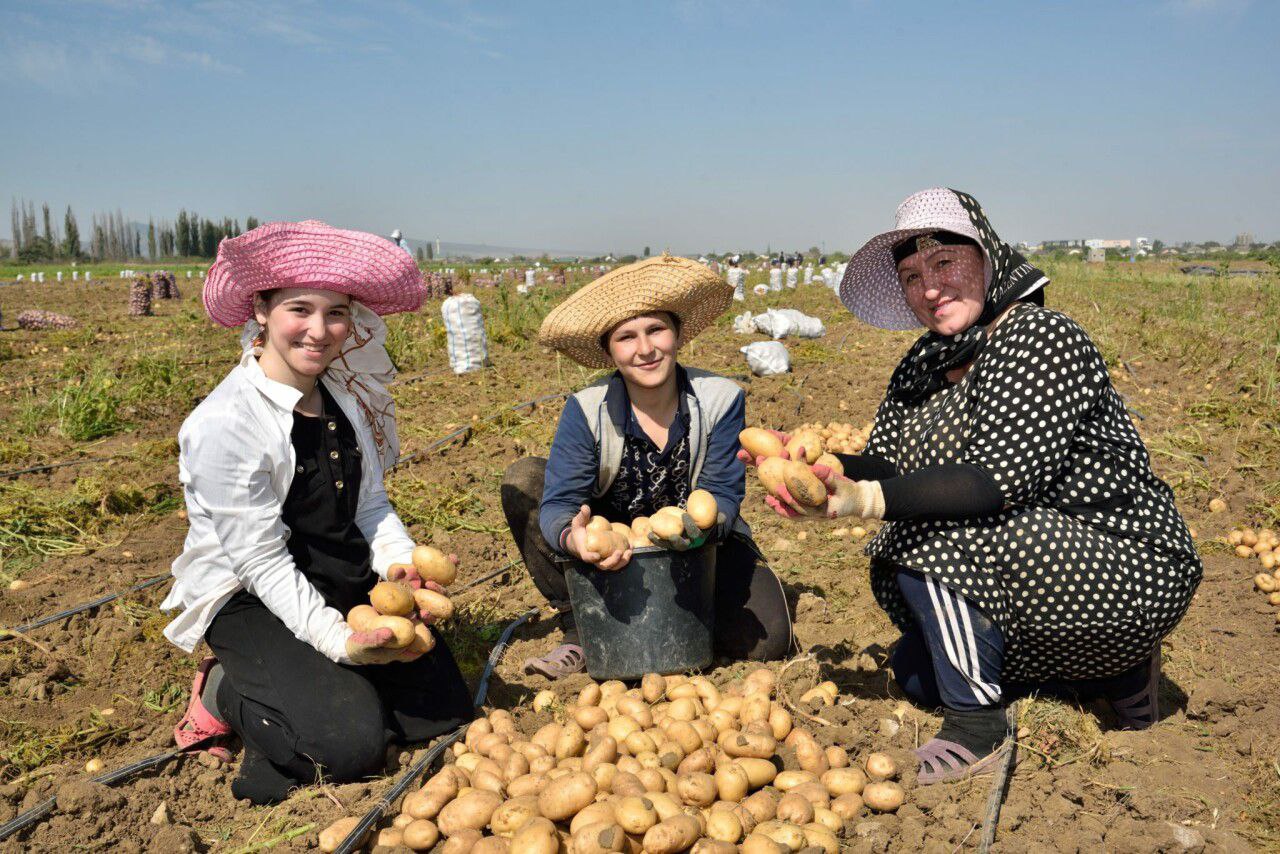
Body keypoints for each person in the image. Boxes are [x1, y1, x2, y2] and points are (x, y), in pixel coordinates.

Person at [746, 188, 1201, 784]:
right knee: (913, 671)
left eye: (944, 264)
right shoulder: (924, 362)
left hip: (1118, 562)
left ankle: (978, 724)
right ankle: (1102, 675)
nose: (928, 289)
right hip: (1027, 568)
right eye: (910, 276)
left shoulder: (1039, 338)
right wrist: (834, 470)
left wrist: (866, 502)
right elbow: (890, 462)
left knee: (924, 528)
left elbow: (992, 482)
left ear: (986, 257)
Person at [164, 220, 473, 804]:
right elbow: (259, 560)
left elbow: (372, 505)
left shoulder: (346, 398)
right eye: (299, 309)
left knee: (443, 716)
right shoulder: (226, 424)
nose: (319, 330)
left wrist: (397, 564)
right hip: (251, 593)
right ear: (260, 310)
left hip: (333, 571)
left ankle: (315, 682)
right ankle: (223, 692)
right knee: (346, 747)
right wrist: (340, 642)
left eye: (336, 313)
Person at [502, 254, 792, 678]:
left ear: (676, 333)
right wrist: (576, 538)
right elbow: (560, 503)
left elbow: (723, 495)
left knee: (769, 641)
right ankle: (578, 626)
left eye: (656, 329)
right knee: (525, 479)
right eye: (626, 337)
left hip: (703, 547)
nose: (645, 349)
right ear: (608, 350)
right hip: (611, 556)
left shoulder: (721, 399)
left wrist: (699, 530)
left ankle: (684, 616)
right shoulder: (586, 410)